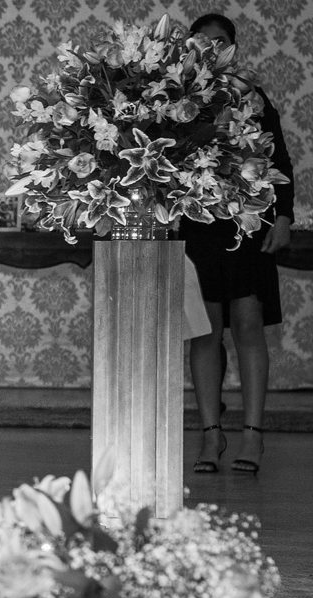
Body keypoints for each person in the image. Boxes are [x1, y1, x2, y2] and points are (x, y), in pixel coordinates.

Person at [180, 13, 294, 475]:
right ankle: (211, 436)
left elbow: (280, 160)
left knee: (248, 323)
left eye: (220, 42)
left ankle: (252, 435)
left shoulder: (254, 97)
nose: (211, 49)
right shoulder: (176, 98)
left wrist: (283, 216)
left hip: (249, 222)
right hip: (198, 225)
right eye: (202, 42)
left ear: (232, 48)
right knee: (205, 330)